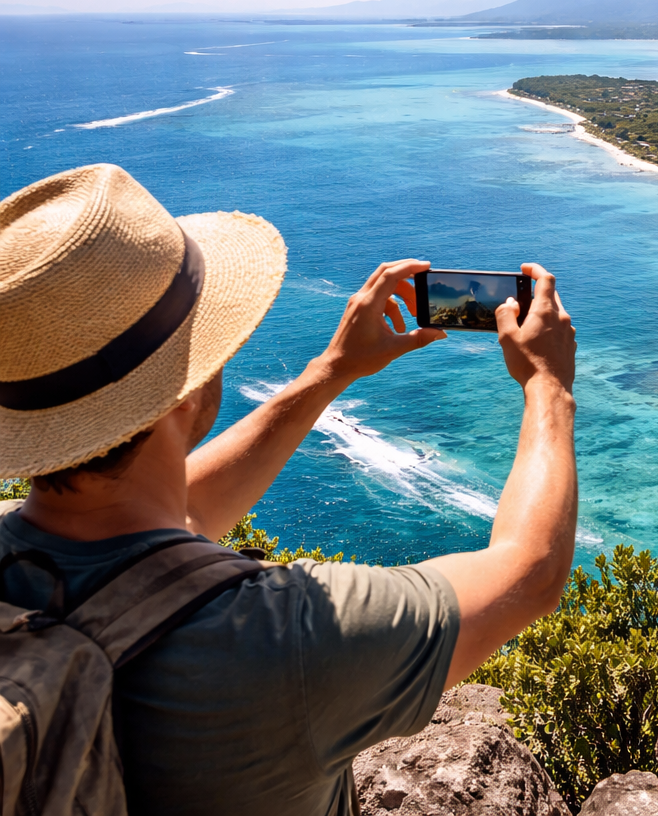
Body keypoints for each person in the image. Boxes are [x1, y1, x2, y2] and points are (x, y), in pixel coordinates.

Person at [0, 162, 578, 815]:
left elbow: (161, 522)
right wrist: (547, 388)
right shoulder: (283, 639)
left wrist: (329, 373)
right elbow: (529, 573)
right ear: (188, 386)